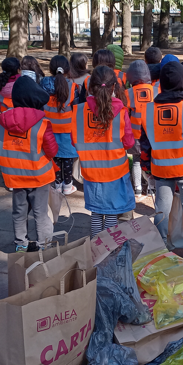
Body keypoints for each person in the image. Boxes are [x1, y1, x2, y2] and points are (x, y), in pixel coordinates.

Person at [140, 61, 183, 255]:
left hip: (160, 169)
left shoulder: (148, 111)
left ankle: (160, 250)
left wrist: (146, 166)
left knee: (161, 210)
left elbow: (145, 143)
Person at [0, 76, 58, 252]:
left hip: (15, 177)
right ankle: (44, 245)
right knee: (40, 213)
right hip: (39, 177)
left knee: (19, 211)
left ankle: (20, 244)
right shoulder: (42, 124)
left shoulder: (1, 123)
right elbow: (52, 150)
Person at [70, 66, 135, 238]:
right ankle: (108, 248)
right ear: (114, 86)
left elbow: (74, 141)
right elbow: (128, 142)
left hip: (91, 172)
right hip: (115, 172)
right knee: (112, 213)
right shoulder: (121, 112)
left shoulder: (78, 112)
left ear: (91, 87)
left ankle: (96, 246)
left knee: (96, 212)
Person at [42, 55, 81, 194]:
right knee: (68, 157)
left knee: (55, 157)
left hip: (48, 128)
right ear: (67, 69)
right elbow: (76, 107)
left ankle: (56, 184)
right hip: (67, 128)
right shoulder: (72, 86)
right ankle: (67, 185)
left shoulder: (43, 84)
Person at [125, 60, 160, 197]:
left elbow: (125, 114)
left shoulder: (128, 93)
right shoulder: (156, 91)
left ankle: (138, 188)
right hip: (152, 135)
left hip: (135, 135)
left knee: (136, 161)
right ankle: (152, 187)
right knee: (152, 160)